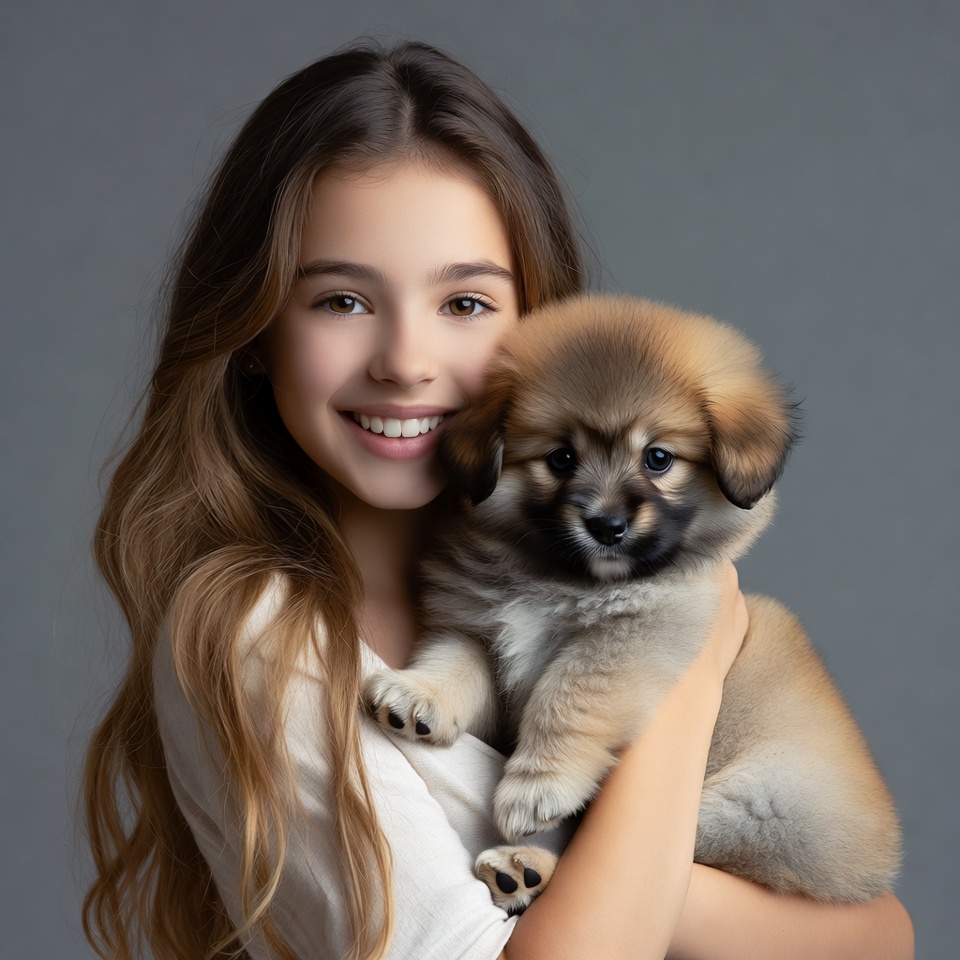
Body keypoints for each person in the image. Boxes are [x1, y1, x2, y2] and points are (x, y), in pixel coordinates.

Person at [81, 40, 914, 960]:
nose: (405, 361)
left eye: (466, 304)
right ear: (253, 332)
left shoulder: (568, 551)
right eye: (342, 303)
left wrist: (618, 877)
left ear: (540, 329)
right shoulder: (256, 635)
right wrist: (692, 664)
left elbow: (879, 937)